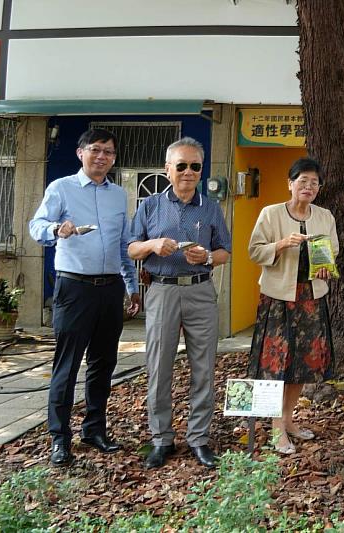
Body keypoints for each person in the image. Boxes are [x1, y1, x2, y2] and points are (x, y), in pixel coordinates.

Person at [29, 128, 141, 467]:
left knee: (103, 363)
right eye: (95, 150)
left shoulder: (119, 195)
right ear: (81, 153)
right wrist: (55, 229)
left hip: (110, 289)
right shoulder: (60, 188)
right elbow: (36, 226)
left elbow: (124, 245)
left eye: (108, 151)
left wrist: (132, 285)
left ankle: (94, 429)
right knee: (67, 364)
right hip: (74, 287)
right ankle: (60, 438)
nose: (102, 157)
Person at [128, 137, 231, 469]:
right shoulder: (150, 206)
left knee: (204, 367)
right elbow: (131, 248)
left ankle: (199, 439)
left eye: (195, 166)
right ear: (167, 169)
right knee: (158, 367)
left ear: (201, 171)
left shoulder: (210, 207)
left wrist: (206, 257)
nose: (188, 172)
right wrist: (153, 244)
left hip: (200, 290)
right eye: (182, 165)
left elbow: (225, 252)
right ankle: (162, 439)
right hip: (162, 290)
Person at [248, 157, 338, 454]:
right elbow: (255, 251)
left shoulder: (324, 216)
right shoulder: (271, 214)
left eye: (314, 183)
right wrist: (282, 244)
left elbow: (332, 251)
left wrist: (326, 266)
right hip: (278, 298)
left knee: (303, 363)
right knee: (275, 364)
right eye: (302, 181)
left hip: (311, 298)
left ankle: (288, 419)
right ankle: (275, 428)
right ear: (290, 183)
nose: (308, 187)